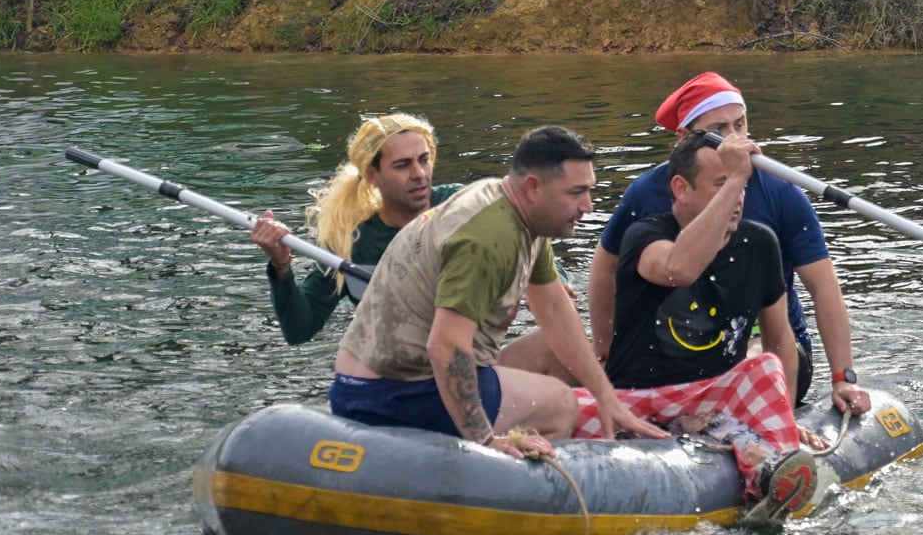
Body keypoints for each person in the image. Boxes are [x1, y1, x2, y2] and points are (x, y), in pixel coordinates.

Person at [331, 126, 664, 456]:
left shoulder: (513, 208)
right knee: (561, 405)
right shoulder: (487, 240)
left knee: (551, 348)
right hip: (393, 393)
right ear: (534, 187)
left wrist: (607, 396)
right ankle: (514, 493)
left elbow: (553, 309)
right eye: (576, 193)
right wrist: (485, 440)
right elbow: (445, 347)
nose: (588, 206)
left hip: (381, 380)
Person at [589, 73, 872, 414]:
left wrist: (843, 376)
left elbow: (824, 288)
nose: (734, 140)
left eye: (740, 125)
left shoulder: (780, 192)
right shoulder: (647, 191)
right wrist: (604, 352)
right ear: (685, 139)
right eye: (719, 130)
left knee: (750, 357)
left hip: (766, 347)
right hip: (676, 347)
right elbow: (605, 268)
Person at [606, 131, 831, 519]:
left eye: (741, 185)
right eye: (722, 184)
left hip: (714, 400)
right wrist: (740, 177)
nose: (738, 196)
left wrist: (787, 417)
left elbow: (779, 340)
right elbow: (678, 268)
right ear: (681, 189)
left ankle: (773, 467)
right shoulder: (645, 235)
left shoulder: (760, 243)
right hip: (637, 400)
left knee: (764, 364)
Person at [249, 113, 464, 344]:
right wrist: (281, 266)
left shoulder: (465, 206)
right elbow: (299, 330)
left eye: (424, 159)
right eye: (402, 165)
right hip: (394, 365)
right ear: (373, 175)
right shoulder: (351, 241)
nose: (419, 174)